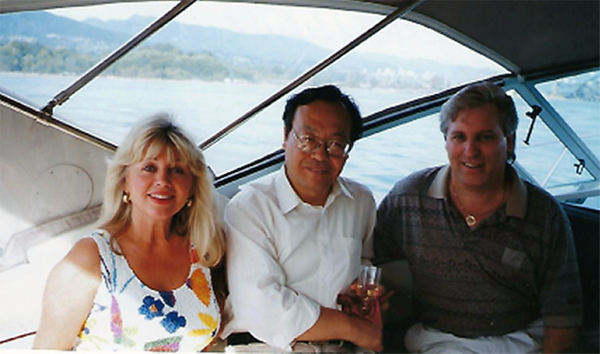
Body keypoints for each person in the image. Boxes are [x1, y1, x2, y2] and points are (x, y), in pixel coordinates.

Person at [374, 81, 583, 354]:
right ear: (446, 143)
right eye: (459, 137)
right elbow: (368, 266)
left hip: (518, 344)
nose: (470, 151)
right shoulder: (407, 198)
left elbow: (562, 322)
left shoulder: (544, 215)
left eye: (485, 137)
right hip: (435, 342)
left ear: (508, 142)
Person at [33, 114, 225, 351]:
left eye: (177, 170)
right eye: (149, 168)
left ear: (193, 187)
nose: (162, 180)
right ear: (125, 182)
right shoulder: (90, 258)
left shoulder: (203, 251)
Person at [222, 84, 383, 352]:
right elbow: (263, 308)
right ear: (285, 137)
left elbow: (363, 267)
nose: (320, 154)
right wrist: (354, 328)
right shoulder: (250, 207)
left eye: (335, 144)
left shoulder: (360, 201)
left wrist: (363, 298)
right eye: (308, 139)